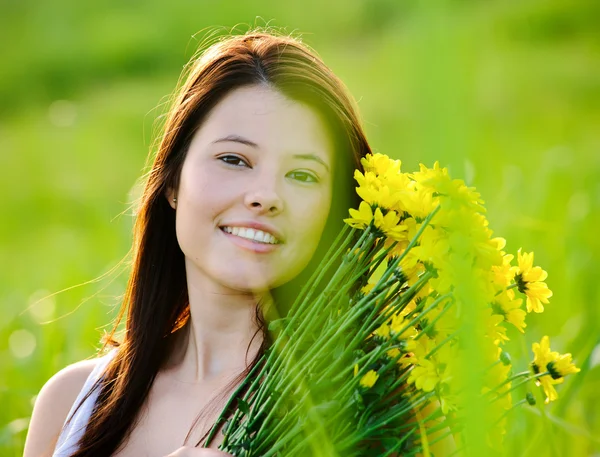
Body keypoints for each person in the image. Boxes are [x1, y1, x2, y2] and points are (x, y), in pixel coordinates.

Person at [23, 28, 371, 457]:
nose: (265, 195)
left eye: (302, 175)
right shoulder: (72, 402)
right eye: (233, 159)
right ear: (172, 181)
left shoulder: (365, 406)